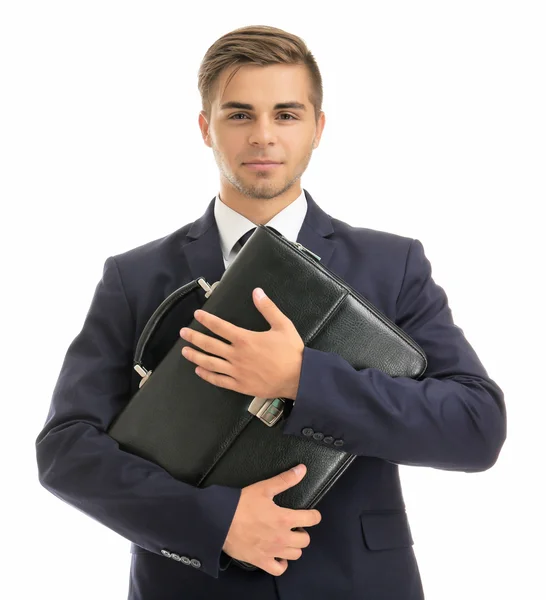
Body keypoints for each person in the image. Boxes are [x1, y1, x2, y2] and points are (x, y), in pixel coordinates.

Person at [35, 24, 507, 600]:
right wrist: (215, 521)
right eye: (239, 115)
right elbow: (66, 450)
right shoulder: (134, 278)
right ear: (206, 128)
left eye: (286, 114)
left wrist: (301, 379)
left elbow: (475, 427)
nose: (263, 136)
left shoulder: (394, 264)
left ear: (318, 128)